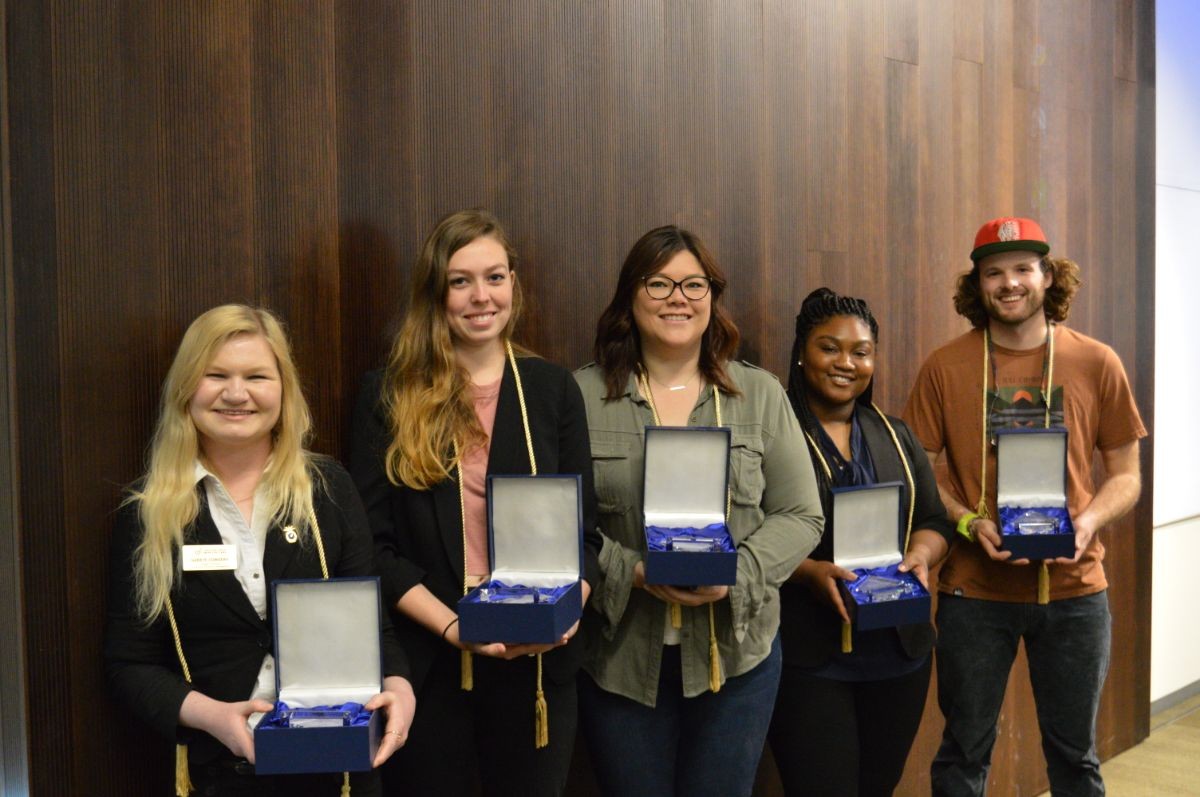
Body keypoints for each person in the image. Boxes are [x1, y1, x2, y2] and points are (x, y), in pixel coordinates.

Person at [105, 304, 415, 797]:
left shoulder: (329, 489)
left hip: (339, 772)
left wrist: (399, 687)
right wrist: (215, 718)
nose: (236, 393)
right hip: (222, 774)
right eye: (216, 375)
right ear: (187, 388)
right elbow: (130, 665)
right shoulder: (145, 514)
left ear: (283, 391)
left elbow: (372, 627)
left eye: (256, 376)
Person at [349, 208, 601, 797]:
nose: (480, 296)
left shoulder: (551, 389)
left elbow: (588, 536)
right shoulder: (387, 393)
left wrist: (562, 618)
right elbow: (372, 549)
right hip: (431, 669)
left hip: (537, 664)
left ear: (514, 281)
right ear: (436, 293)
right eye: (460, 281)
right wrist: (455, 627)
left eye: (495, 276)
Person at [573, 225, 824, 797]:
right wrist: (631, 571)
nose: (678, 298)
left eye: (693, 284)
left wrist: (736, 572)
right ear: (629, 297)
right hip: (619, 659)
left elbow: (801, 514)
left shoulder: (758, 395)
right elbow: (566, 524)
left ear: (712, 296)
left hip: (736, 660)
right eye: (658, 284)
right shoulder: (581, 397)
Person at [903, 217, 1146, 796]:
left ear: (1047, 276)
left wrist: (1087, 522)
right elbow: (917, 470)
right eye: (994, 272)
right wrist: (967, 520)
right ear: (978, 284)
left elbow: (1127, 475)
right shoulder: (945, 366)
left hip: (1075, 591)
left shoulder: (1096, 361)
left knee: (1075, 758)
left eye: (1022, 268)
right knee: (963, 753)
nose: (1009, 283)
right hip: (973, 593)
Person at [766, 288, 955, 796]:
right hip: (810, 654)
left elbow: (935, 520)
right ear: (802, 353)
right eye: (830, 348)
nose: (846, 363)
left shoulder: (895, 434)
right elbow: (746, 534)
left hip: (899, 651)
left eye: (861, 351)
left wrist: (922, 554)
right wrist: (808, 571)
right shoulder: (771, 433)